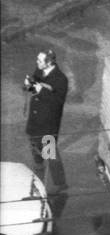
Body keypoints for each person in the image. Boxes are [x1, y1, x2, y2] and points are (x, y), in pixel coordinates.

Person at [24, 49, 69, 193]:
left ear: (49, 63)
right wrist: (28, 85)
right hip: (35, 122)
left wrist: (40, 89)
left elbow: (57, 102)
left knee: (50, 156)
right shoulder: (40, 70)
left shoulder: (61, 79)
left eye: (40, 61)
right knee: (36, 154)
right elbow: (32, 87)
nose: (37, 63)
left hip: (48, 126)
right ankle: (38, 179)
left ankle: (60, 185)